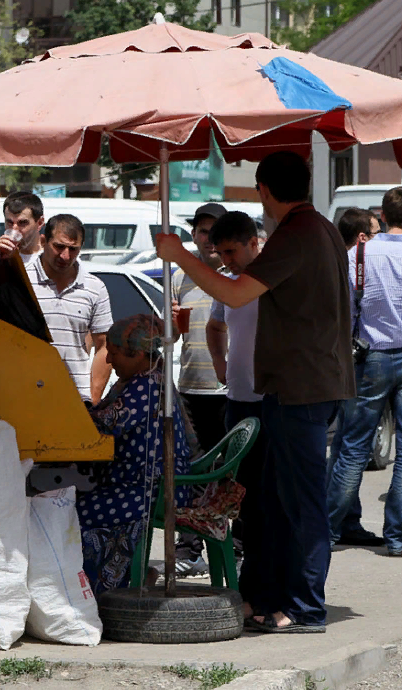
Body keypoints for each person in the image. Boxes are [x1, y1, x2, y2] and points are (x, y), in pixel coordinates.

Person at [156, 150, 354, 634]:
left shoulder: (300, 232)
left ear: (264, 190)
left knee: (300, 504)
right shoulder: (320, 227)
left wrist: (181, 255)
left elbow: (235, 292)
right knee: (275, 502)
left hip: (301, 389)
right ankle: (272, 596)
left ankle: (306, 607)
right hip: (301, 386)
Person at [327, 186, 402, 558]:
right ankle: (397, 537)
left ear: (381, 214)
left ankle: (328, 530)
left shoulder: (358, 254)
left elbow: (343, 312)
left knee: (352, 448)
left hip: (369, 357)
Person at [77, 314, 191, 594]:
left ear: (138, 354)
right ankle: (124, 577)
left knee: (77, 510)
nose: (108, 361)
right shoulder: (130, 380)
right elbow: (102, 413)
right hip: (131, 482)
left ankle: (114, 587)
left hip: (153, 488)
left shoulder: (148, 384)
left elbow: (109, 423)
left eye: (114, 354)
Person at [203, 211, 269, 620]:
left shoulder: (267, 280)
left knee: (264, 501)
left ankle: (257, 586)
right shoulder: (227, 285)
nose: (226, 260)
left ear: (252, 243)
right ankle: (245, 580)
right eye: (220, 252)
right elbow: (214, 326)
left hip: (271, 403)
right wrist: (221, 365)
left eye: (231, 251)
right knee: (240, 498)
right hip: (238, 402)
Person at [172, 202, 228, 578]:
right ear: (193, 234)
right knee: (192, 471)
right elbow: (174, 333)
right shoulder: (180, 276)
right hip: (190, 388)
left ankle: (232, 547)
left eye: (215, 232)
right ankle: (189, 549)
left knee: (229, 474)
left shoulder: (237, 275)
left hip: (228, 390)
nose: (208, 239)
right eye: (202, 231)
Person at [323, 208, 385, 547]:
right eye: (376, 233)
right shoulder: (350, 265)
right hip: (351, 364)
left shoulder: (347, 262)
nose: (380, 240)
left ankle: (349, 520)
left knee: (346, 445)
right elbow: (346, 318)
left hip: (345, 364)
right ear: (362, 237)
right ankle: (331, 524)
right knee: (352, 448)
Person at [26, 214, 113, 404]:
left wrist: (93, 397)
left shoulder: (94, 288)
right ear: (43, 241)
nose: (65, 256)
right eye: (59, 246)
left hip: (77, 400)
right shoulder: (22, 280)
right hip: (27, 396)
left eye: (73, 249)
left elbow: (105, 346)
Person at [0, 192, 45, 266]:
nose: (14, 230)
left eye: (22, 223)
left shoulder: (51, 259)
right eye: (10, 222)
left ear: (40, 223)